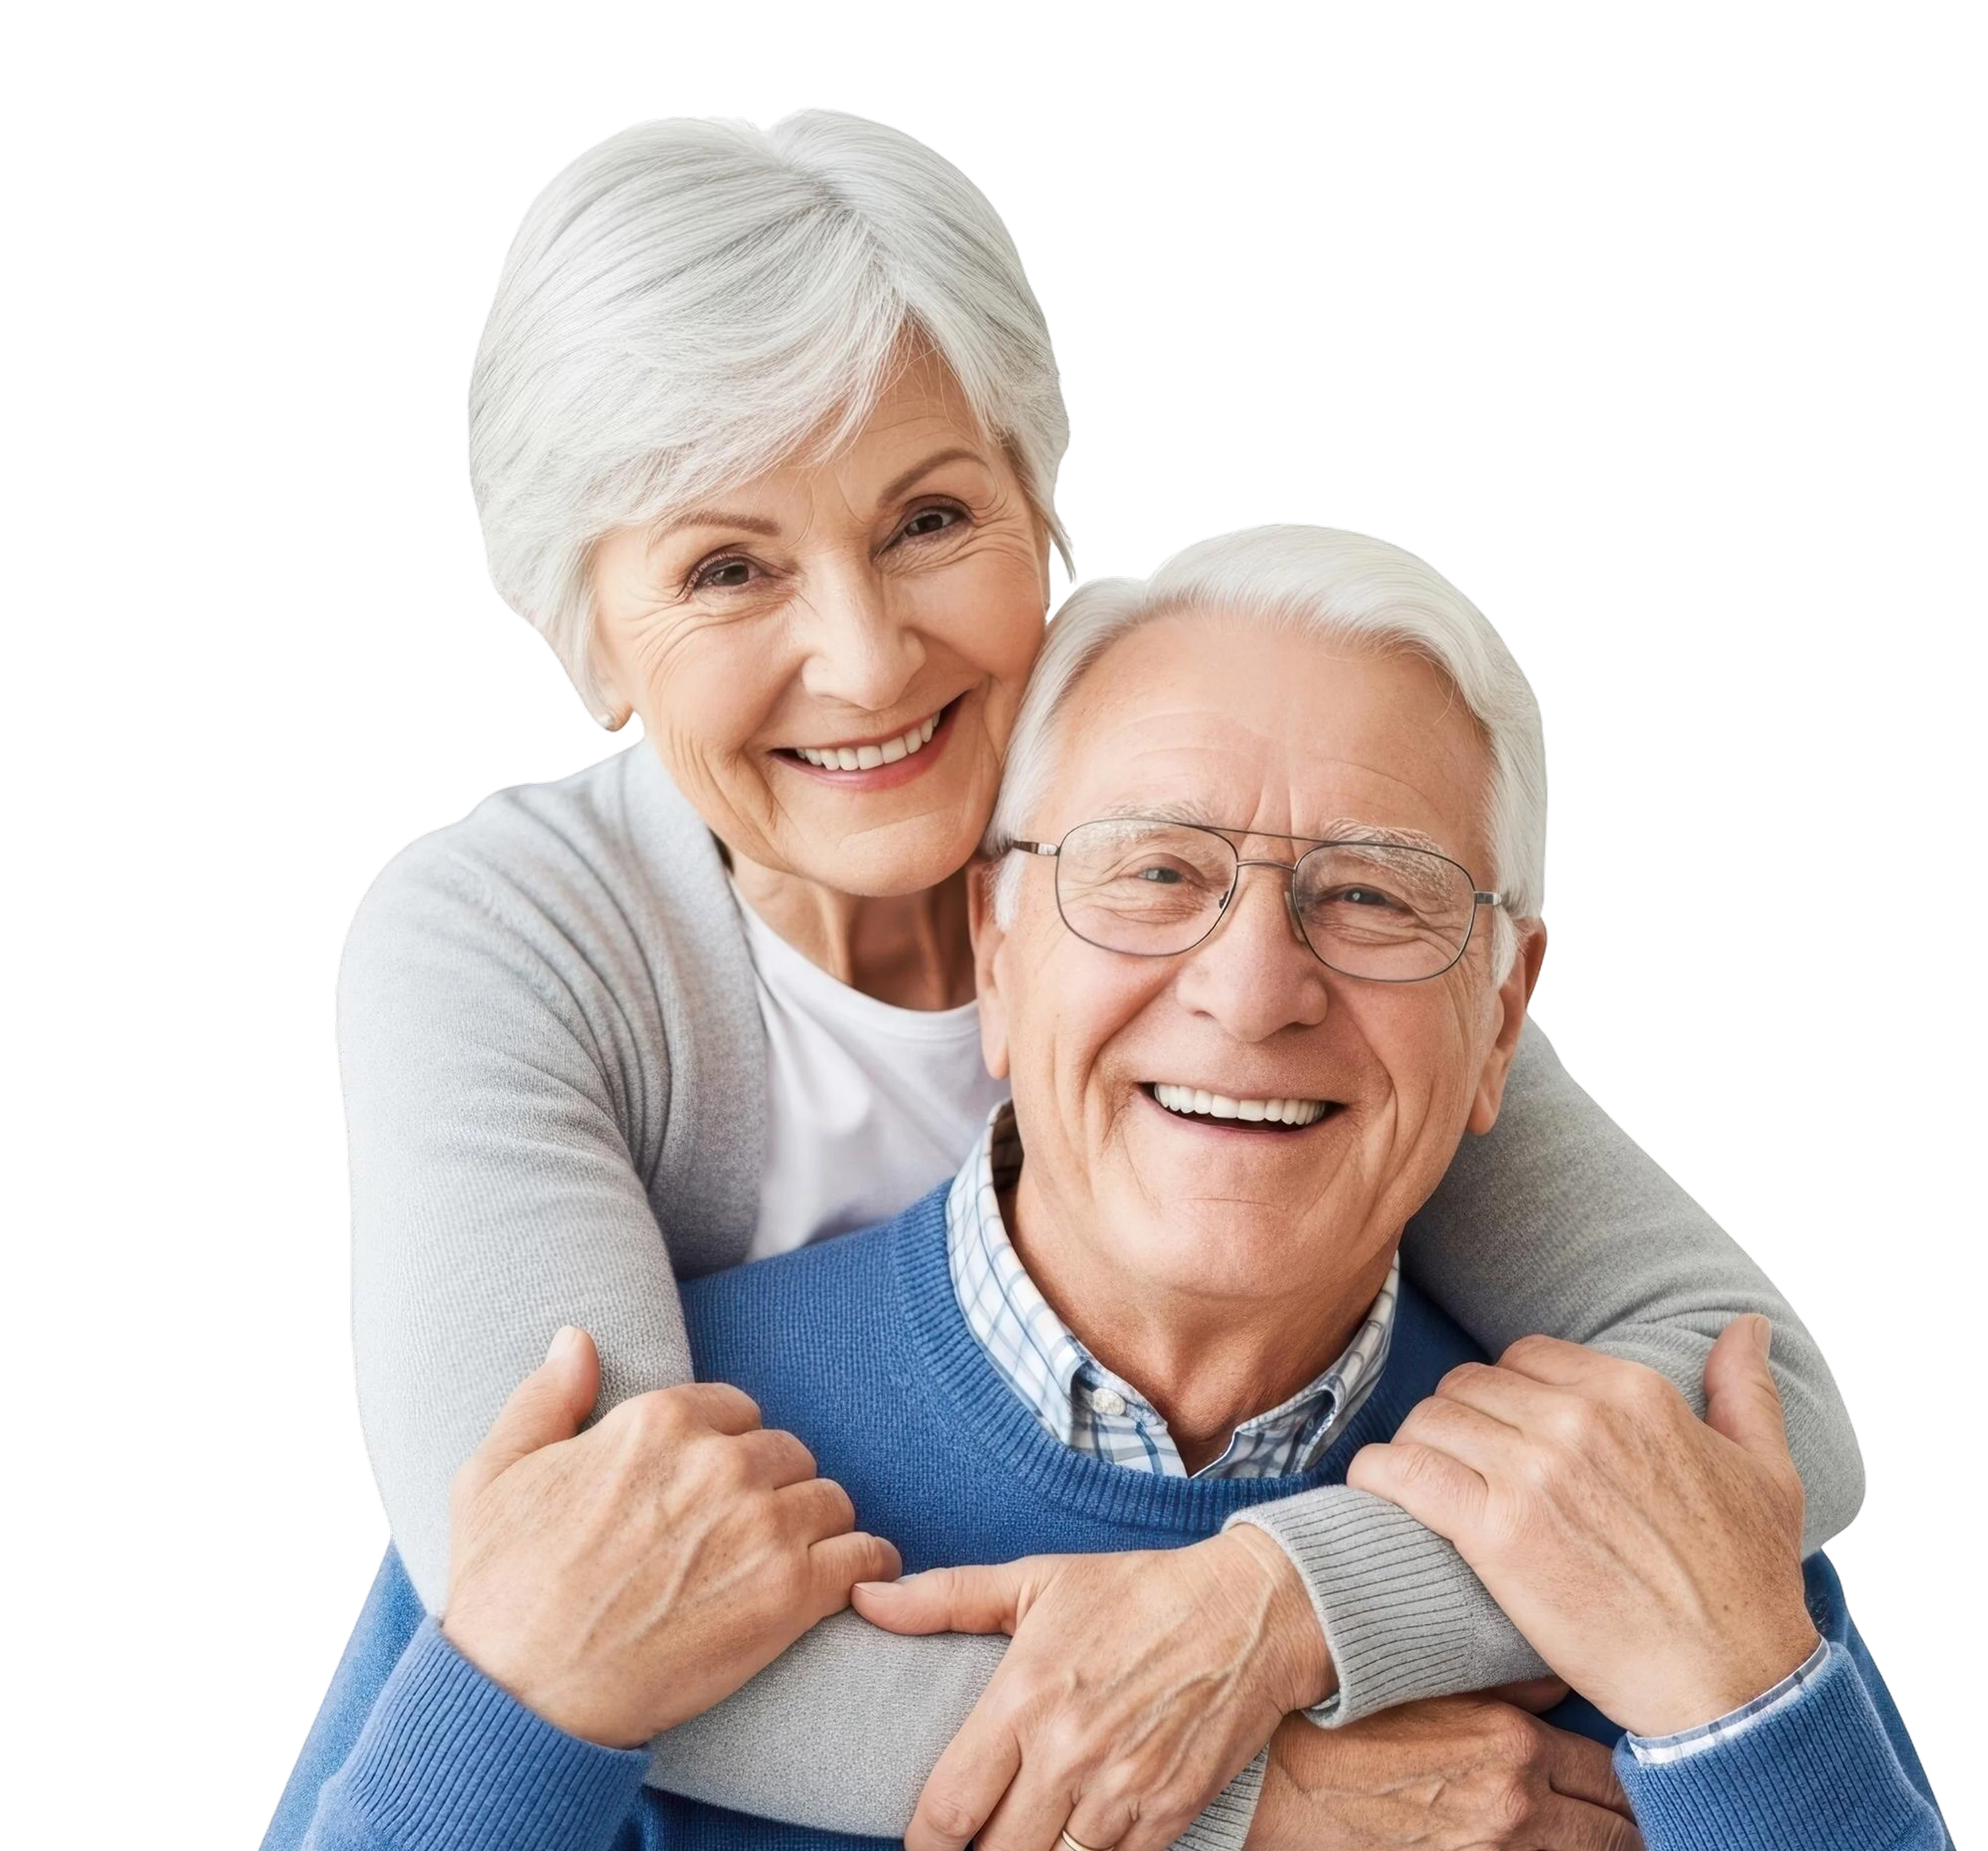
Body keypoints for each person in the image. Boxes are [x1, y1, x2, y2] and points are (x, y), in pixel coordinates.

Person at [320, 111, 1866, 1846]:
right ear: (584, 637)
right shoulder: (507, 938)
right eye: (725, 567)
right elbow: (559, 1595)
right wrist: (1241, 1803)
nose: (864, 654)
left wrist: (1281, 1603)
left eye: (927, 518)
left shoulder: (1232, 832)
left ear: (1040, 501)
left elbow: (1754, 1420)